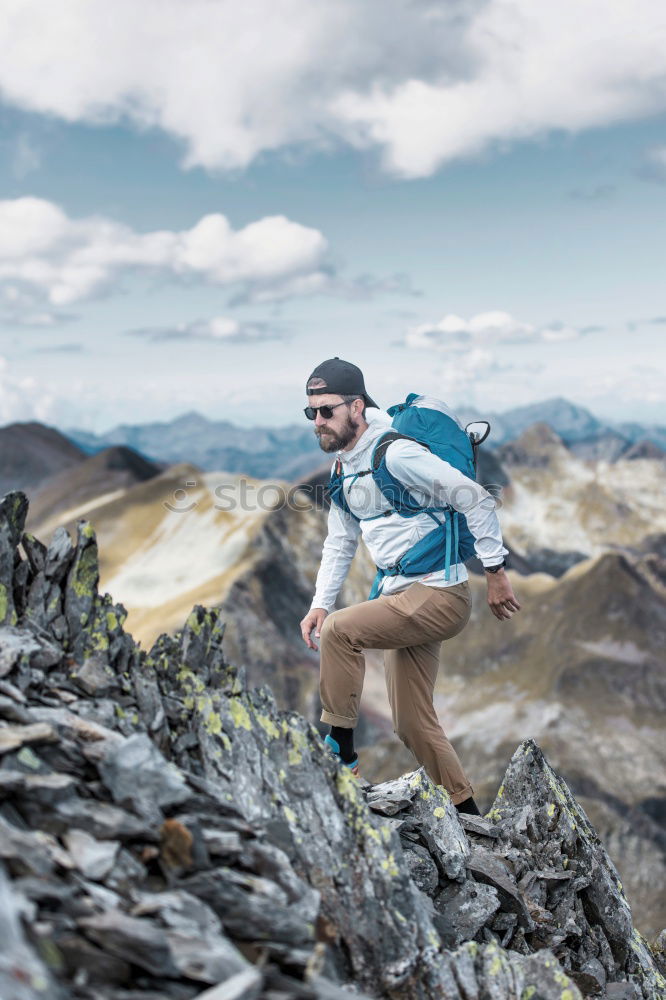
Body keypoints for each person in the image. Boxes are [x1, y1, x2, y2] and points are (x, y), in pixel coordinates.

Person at [299, 357, 520, 815]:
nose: (318, 422)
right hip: (400, 596)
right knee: (412, 723)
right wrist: (319, 603)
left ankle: (340, 756)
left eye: (327, 411)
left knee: (341, 632)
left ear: (357, 406)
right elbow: (340, 543)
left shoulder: (396, 454)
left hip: (440, 596)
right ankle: (468, 815)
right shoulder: (344, 470)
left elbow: (476, 499)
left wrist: (495, 572)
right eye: (311, 412)